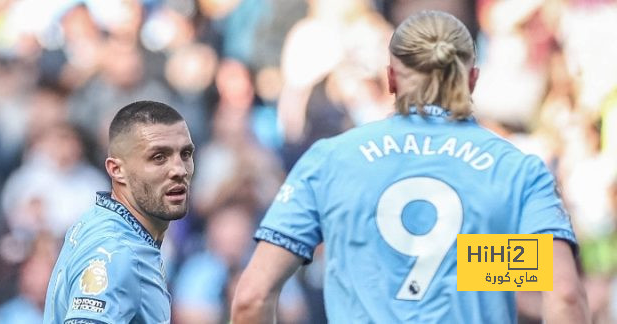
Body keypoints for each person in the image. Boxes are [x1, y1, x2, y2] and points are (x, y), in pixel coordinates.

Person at [232, 10, 590, 324]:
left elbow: (252, 297)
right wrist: (471, 261)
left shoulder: (330, 160)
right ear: (473, 80)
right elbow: (564, 294)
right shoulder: (518, 169)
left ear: (391, 80)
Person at [43, 100, 195, 323]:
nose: (179, 169)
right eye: (159, 157)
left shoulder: (103, 221)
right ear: (117, 170)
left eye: (186, 154)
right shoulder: (117, 252)